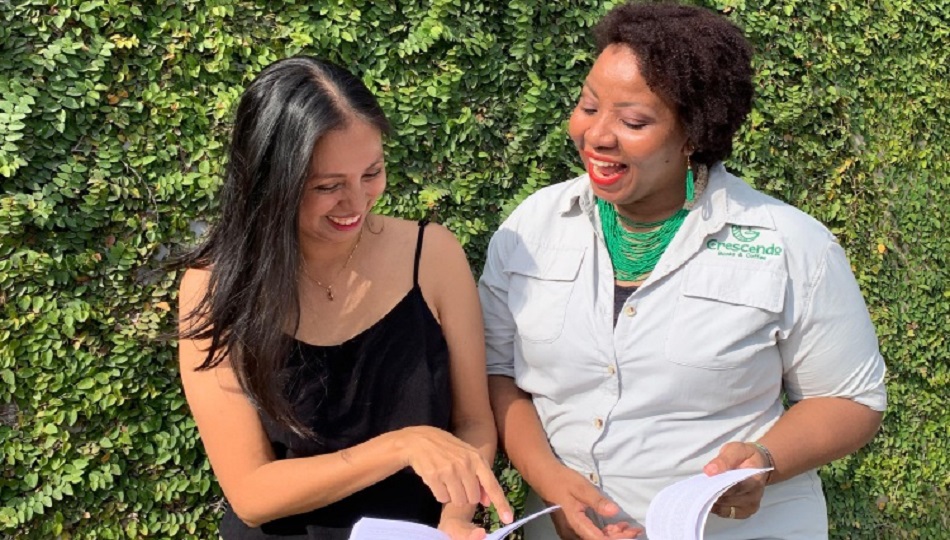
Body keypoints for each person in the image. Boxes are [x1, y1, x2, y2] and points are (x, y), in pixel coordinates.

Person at [478, 2, 886, 539]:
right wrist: (552, 483)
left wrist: (763, 459)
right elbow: (498, 374)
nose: (597, 135)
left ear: (693, 134)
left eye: (633, 121)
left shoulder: (789, 244)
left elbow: (851, 398)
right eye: (588, 106)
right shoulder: (532, 227)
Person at [176, 56, 513, 540]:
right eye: (327, 187)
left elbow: (475, 423)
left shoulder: (432, 254)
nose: (356, 203)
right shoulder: (216, 287)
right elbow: (251, 494)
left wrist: (455, 520)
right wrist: (401, 446)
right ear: (270, 184)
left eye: (371, 173)